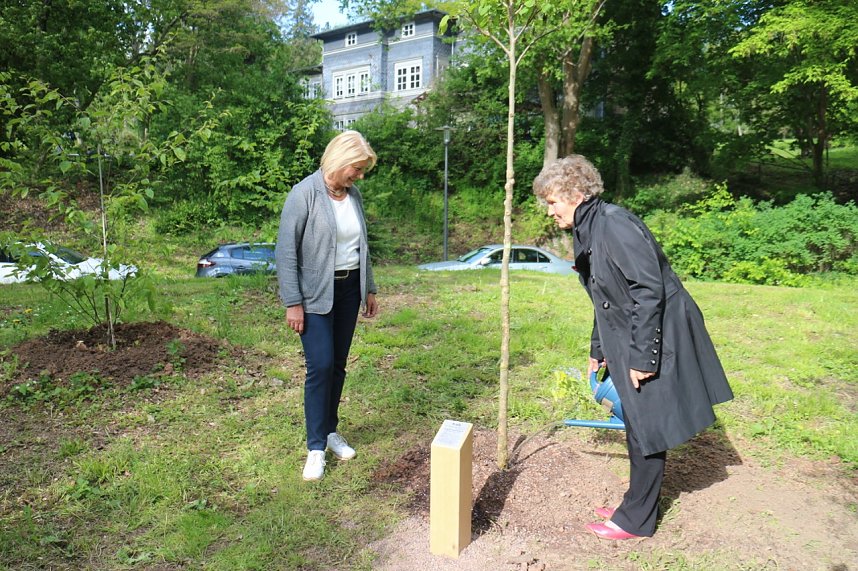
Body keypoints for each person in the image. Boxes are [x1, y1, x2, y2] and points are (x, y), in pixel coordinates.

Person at [532, 155, 733, 539]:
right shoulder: (588, 227)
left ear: (576, 194)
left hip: (658, 330)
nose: (549, 211)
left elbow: (649, 289)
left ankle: (636, 520)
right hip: (630, 330)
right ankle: (634, 506)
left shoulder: (614, 225)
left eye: (553, 201)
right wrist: (598, 348)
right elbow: (604, 295)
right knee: (639, 419)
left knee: (646, 424)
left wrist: (643, 357)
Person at [275, 130, 379, 482]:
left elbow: (362, 245)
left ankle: (330, 430)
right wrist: (293, 303)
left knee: (337, 366)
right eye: (357, 169)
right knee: (319, 366)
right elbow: (286, 253)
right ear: (339, 160)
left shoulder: (354, 196)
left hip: (349, 289)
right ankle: (316, 447)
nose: (359, 176)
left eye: (362, 171)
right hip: (315, 294)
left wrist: (369, 288)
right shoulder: (303, 194)